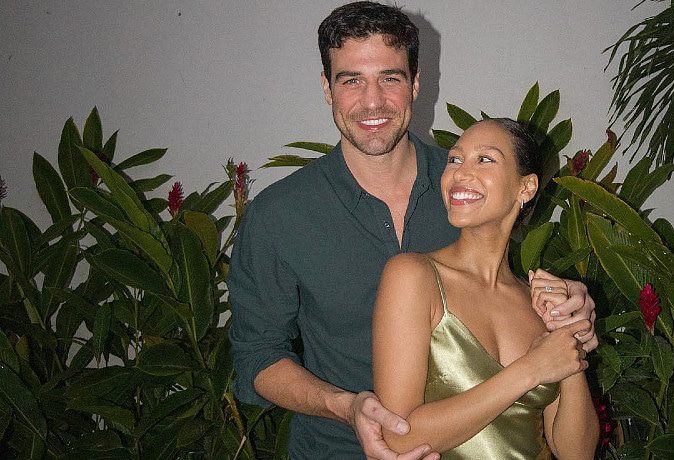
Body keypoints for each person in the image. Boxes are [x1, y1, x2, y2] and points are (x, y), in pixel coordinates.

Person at [227, 2, 598, 458]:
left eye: (390, 78)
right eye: (351, 81)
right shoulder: (279, 215)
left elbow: (506, 292)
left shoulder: (467, 189)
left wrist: (570, 309)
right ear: (327, 88)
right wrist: (345, 405)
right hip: (336, 449)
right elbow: (257, 355)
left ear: (416, 83)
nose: (372, 101)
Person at [373, 118, 599, 459]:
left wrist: (567, 340)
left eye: (485, 159)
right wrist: (531, 370)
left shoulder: (538, 303)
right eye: (454, 159)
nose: (460, 173)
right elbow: (399, 437)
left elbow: (575, 453)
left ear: (526, 187)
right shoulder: (413, 276)